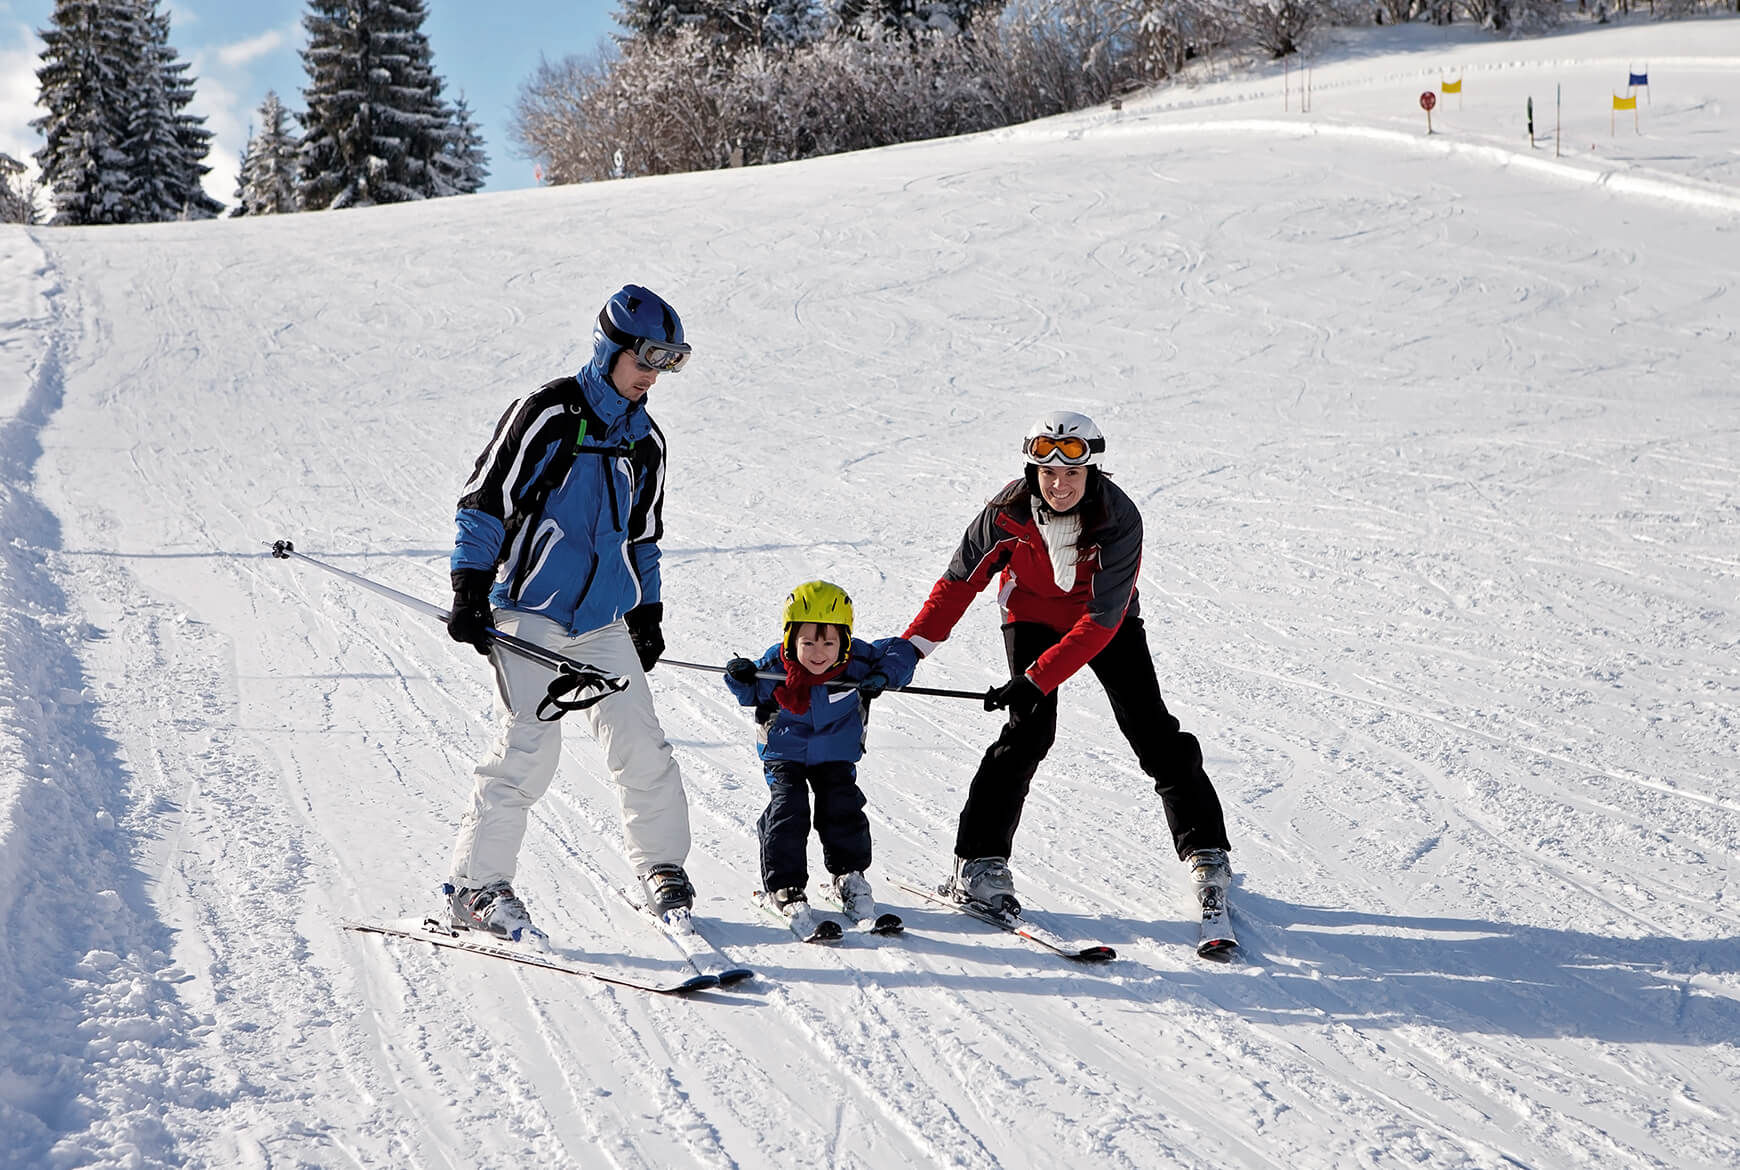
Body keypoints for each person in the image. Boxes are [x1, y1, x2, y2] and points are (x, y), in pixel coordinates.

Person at [441, 284, 697, 943]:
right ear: (610, 350)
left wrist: (648, 613)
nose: (653, 378)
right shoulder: (548, 413)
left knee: (642, 742)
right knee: (530, 742)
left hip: (603, 618)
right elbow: (485, 500)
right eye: (646, 361)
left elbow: (642, 538)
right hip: (531, 609)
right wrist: (471, 588)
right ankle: (476, 888)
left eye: (667, 365)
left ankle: (662, 869)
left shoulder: (646, 442)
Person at [902, 410, 1233, 916]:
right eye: (1048, 472)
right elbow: (958, 584)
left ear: (1092, 470)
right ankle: (980, 862)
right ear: (1032, 470)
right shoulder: (1004, 513)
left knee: (1152, 730)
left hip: (1105, 619)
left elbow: (1101, 621)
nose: (1059, 484)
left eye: (1072, 473)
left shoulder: (1119, 519)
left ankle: (1205, 849)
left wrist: (1035, 679)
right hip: (1031, 615)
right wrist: (910, 650)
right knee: (1028, 736)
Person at [723, 581, 918, 919]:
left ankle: (848, 875)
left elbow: (902, 652)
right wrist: (740, 676)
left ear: (844, 640)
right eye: (808, 642)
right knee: (790, 809)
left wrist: (884, 675)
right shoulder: (775, 664)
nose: (818, 652)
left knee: (842, 806)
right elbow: (749, 693)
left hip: (836, 751)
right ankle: (785, 885)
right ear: (790, 639)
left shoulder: (858, 661)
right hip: (785, 753)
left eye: (829, 642)